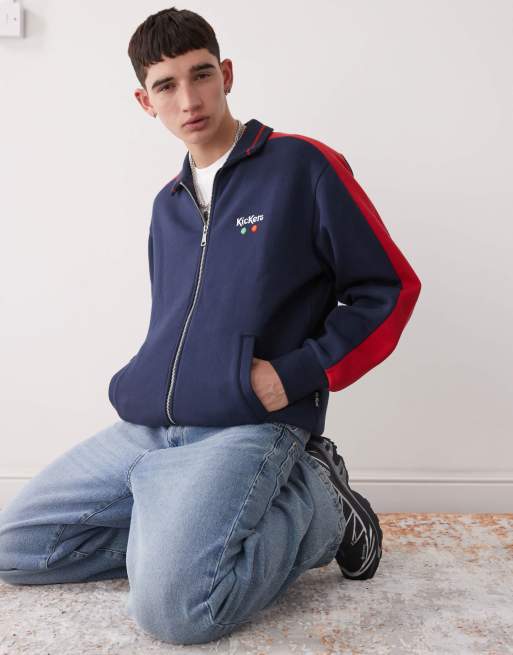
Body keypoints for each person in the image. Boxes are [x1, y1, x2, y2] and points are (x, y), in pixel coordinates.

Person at [0, 6, 421, 646]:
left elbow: (387, 289)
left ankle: (323, 504)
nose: (189, 100)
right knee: (16, 549)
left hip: (247, 423)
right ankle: (171, 537)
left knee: (176, 611)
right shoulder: (167, 205)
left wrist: (295, 374)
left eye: (200, 75)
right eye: (166, 85)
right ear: (145, 101)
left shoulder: (301, 166)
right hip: (151, 424)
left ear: (226, 74)